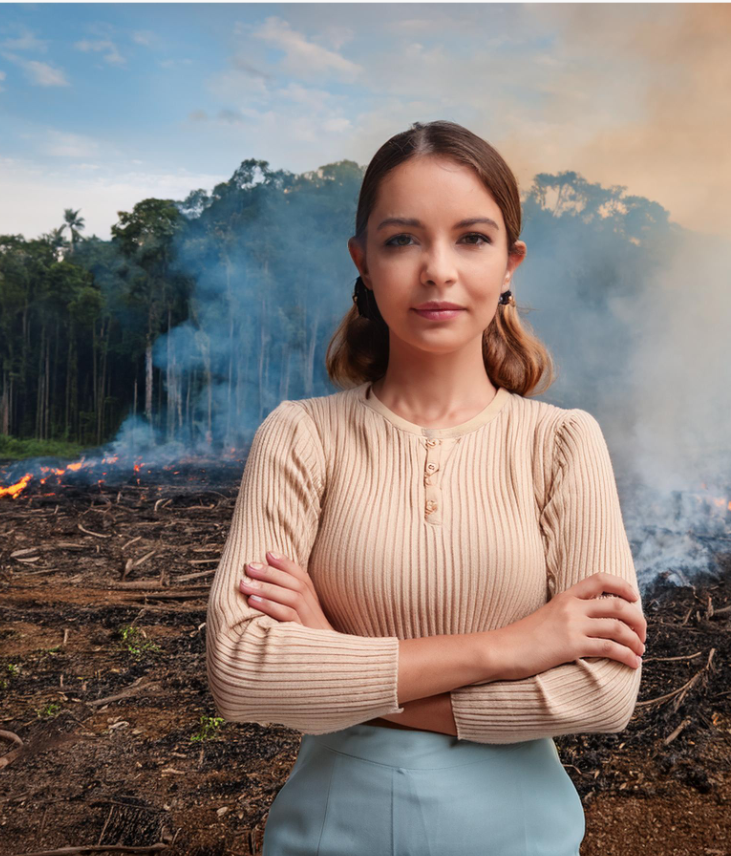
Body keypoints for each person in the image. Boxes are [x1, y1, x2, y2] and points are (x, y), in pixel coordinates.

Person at [205, 119, 648, 856]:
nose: (437, 269)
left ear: (510, 264)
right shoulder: (300, 435)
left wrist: (333, 655)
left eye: (471, 238)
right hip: (327, 837)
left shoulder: (563, 442)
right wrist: (513, 648)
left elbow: (602, 692)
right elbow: (244, 672)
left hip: (523, 838)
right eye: (403, 239)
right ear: (364, 261)